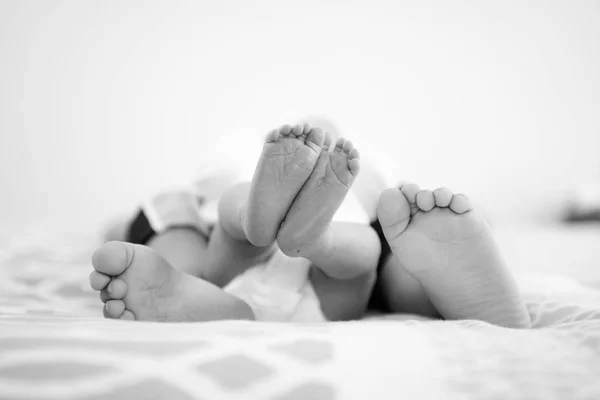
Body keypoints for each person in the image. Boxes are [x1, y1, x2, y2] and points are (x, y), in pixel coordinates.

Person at [89, 123, 531, 328]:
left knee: (180, 232)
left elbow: (120, 232)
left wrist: (119, 233)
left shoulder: (219, 171)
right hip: (335, 296)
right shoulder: (376, 195)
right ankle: (317, 239)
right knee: (385, 260)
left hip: (222, 274)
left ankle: (242, 229)